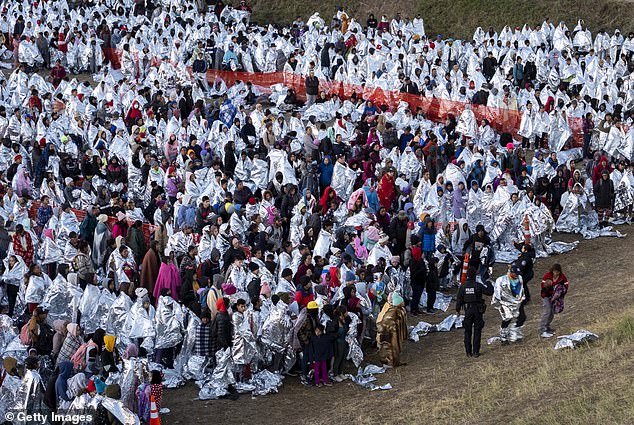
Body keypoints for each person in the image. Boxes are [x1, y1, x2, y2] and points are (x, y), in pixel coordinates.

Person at [456, 266, 494, 357]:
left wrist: (457, 310)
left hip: (468, 310)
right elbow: (490, 292)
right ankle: (476, 352)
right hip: (477, 310)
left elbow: (459, 299)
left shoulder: (463, 286)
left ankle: (468, 352)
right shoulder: (478, 285)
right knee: (477, 330)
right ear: (475, 275)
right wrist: (488, 281)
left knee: (467, 331)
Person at [492, 264, 525, 344]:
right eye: (516, 273)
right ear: (511, 272)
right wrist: (499, 302)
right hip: (504, 302)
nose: (517, 275)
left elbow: (521, 289)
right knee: (507, 317)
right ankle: (503, 336)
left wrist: (522, 298)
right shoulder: (501, 280)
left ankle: (515, 334)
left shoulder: (519, 278)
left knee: (521, 317)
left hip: (516, 302)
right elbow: (497, 292)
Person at [376, 292, 408, 367]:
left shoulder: (398, 310)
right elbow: (383, 323)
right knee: (389, 348)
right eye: (402, 302)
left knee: (394, 348)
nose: (403, 303)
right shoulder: (392, 313)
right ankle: (388, 362)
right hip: (388, 334)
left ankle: (393, 361)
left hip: (393, 334)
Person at [539, 264, 569, 338]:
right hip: (546, 296)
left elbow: (566, 286)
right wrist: (551, 290)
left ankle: (547, 326)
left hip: (556, 297)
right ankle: (542, 329)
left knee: (552, 312)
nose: (556, 273)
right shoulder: (547, 276)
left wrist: (560, 293)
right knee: (547, 311)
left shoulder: (562, 277)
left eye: (557, 271)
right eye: (554, 271)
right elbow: (543, 286)